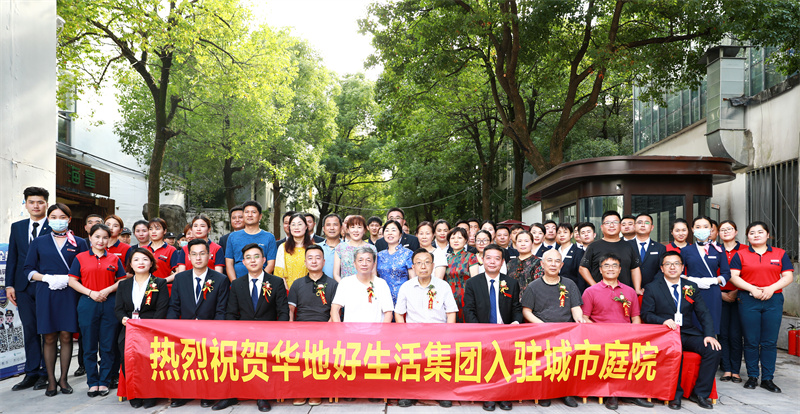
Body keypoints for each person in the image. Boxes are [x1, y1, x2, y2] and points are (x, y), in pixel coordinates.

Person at [23, 203, 89, 397]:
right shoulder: (39, 242)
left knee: (67, 336)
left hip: (70, 292)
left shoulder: (79, 242)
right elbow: (28, 269)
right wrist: (46, 278)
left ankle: (64, 379)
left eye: (62, 217)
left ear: (69, 219)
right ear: (48, 219)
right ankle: (51, 380)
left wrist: (70, 279)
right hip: (47, 291)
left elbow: (85, 267)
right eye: (53, 217)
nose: (58, 220)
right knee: (49, 337)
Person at [641, 251, 721, 410]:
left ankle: (700, 393)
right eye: (668, 264)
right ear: (662, 268)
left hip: (687, 332)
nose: (672, 267)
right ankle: (674, 395)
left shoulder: (690, 286)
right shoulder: (652, 288)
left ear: (682, 267)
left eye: (676, 263)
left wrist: (709, 335)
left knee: (713, 349)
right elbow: (646, 314)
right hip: (666, 334)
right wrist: (663, 321)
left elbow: (703, 313)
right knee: (676, 353)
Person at [221, 243, 289, 412]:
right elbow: (231, 312)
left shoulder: (276, 282)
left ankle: (263, 396)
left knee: (263, 362)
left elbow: (283, 312)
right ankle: (231, 395)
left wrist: (279, 334)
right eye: (248, 258)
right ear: (243, 262)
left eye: (256, 257)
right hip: (242, 334)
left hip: (269, 335)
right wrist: (232, 335)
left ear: (264, 260)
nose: (253, 261)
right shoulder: (237, 284)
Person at [580, 253, 652, 410]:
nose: (610, 269)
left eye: (614, 266)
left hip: (626, 338)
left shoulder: (629, 291)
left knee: (641, 352)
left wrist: (635, 336)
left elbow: (635, 318)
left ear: (620, 270)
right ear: (600, 270)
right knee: (612, 352)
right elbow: (584, 318)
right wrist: (602, 332)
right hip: (600, 339)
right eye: (606, 265)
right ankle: (612, 393)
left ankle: (633, 393)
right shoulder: (590, 291)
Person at [729, 221, 793, 393]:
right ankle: (752, 376)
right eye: (752, 232)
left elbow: (787, 276)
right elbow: (734, 276)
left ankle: (767, 378)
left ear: (767, 235)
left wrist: (771, 289)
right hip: (748, 299)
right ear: (747, 237)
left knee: (769, 341)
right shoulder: (740, 255)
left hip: (773, 299)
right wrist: (752, 289)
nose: (756, 235)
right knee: (751, 340)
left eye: (760, 232)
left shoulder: (780, 253)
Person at [167, 239, 230, 408]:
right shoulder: (180, 278)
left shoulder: (220, 279)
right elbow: (174, 307)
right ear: (188, 257)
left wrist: (213, 331)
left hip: (210, 332)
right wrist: (172, 329)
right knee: (184, 362)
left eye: (202, 254)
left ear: (209, 255)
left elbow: (221, 310)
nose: (198, 258)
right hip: (184, 331)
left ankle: (206, 394)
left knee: (206, 363)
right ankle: (183, 394)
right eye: (194, 254)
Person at [68, 223, 126, 398]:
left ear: (109, 239)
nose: (101, 241)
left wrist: (107, 290)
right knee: (89, 345)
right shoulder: (80, 258)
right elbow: (72, 281)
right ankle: (92, 382)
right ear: (90, 238)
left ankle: (105, 381)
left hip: (109, 304)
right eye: (97, 237)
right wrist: (90, 293)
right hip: (88, 303)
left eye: (105, 237)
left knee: (108, 346)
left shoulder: (114, 259)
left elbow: (122, 280)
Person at [394, 249, 457, 409]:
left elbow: (451, 312)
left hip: (439, 334)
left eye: (427, 262)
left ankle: (441, 393)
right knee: (412, 366)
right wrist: (404, 333)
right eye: (419, 263)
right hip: (413, 335)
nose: (423, 266)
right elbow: (399, 313)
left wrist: (448, 334)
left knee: (439, 366)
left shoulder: (443, 286)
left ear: (433, 266)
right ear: (413, 267)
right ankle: (409, 394)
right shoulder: (406, 287)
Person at [462, 244, 522, 412]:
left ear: (502, 262)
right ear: (482, 260)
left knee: (505, 364)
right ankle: (488, 395)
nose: (492, 262)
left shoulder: (511, 283)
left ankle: (504, 395)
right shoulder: (472, 283)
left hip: (505, 332)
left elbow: (516, 308)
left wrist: (516, 323)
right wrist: (479, 331)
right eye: (488, 258)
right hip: (482, 332)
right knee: (486, 364)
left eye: (497, 258)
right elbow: (469, 310)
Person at [521, 249, 584, 408]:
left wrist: (579, 318)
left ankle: (566, 392)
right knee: (544, 363)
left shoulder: (569, 284)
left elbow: (576, 307)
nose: (553, 264)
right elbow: (526, 311)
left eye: (557, 261)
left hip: (566, 332)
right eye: (549, 261)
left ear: (561, 265)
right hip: (542, 333)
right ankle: (545, 392)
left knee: (568, 361)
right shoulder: (533, 286)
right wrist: (543, 326)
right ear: (542, 264)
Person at [6, 186, 51, 391]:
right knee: (30, 329)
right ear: (25, 204)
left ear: (46, 204)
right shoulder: (17, 227)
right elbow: (13, 258)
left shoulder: (54, 226)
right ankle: (31, 372)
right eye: (32, 202)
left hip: (47, 286)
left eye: (40, 202)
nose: (36, 206)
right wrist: (9, 285)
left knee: (47, 331)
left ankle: (46, 373)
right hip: (23, 287)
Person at [114, 248, 169, 409]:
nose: (141, 263)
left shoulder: (159, 283)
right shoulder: (123, 284)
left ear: (151, 263)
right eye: (136, 260)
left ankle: (151, 393)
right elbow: (118, 309)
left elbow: (162, 308)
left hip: (151, 330)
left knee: (150, 361)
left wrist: (149, 326)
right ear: (130, 264)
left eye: (145, 259)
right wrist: (123, 319)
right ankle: (135, 393)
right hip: (129, 329)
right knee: (128, 360)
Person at [287, 245, 338, 407]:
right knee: (298, 360)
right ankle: (300, 391)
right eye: (310, 258)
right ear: (305, 262)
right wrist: (291, 328)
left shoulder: (333, 284)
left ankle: (316, 391)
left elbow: (335, 311)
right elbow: (290, 309)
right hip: (301, 330)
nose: (314, 261)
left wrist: (327, 329)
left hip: (325, 329)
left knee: (320, 358)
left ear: (324, 261)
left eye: (317, 258)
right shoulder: (297, 284)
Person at [681, 216, 730, 334]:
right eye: (698, 227)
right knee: (693, 325)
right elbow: (679, 274)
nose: (702, 229)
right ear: (692, 229)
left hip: (712, 291)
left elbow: (726, 273)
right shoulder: (686, 250)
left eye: (705, 226)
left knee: (711, 326)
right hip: (691, 291)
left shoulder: (718, 250)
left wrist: (713, 281)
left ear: (711, 229)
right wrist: (692, 280)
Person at [578, 211, 643, 294]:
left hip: (623, 294)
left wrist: (637, 288)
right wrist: (595, 286)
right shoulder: (593, 246)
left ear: (620, 225)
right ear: (602, 227)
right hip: (600, 294)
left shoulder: (628, 246)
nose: (611, 225)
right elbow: (582, 268)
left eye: (615, 222)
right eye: (607, 223)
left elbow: (635, 268)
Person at [331, 246, 394, 323]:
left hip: (375, 329)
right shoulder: (345, 282)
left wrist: (382, 330)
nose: (364, 264)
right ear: (354, 264)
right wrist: (339, 328)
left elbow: (388, 312)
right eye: (360, 260)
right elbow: (335, 308)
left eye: (368, 260)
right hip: (350, 329)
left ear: (374, 264)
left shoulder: (381, 283)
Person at [719, 220, 746, 383]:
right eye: (722, 229)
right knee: (722, 334)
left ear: (736, 232)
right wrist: (721, 294)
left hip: (740, 296)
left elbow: (748, 274)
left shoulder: (745, 250)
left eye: (729, 229)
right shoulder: (714, 250)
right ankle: (726, 369)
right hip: (719, 296)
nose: (726, 231)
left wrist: (736, 292)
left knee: (736, 335)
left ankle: (736, 370)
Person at [224, 201, 277, 281]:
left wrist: (258, 281)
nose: (249, 215)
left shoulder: (269, 237)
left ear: (260, 216)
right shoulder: (233, 237)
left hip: (262, 283)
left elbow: (271, 264)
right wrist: (235, 284)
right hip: (238, 282)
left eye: (253, 212)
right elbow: (229, 264)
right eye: (246, 212)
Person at [445, 227, 479, 323]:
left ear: (465, 240)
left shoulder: (471, 257)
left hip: (466, 296)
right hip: (449, 296)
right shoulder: (446, 258)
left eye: (459, 238)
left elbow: (475, 281)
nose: (456, 240)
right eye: (452, 238)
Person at [377, 220, 416, 304]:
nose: (390, 233)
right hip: (382, 298)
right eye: (387, 230)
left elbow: (413, 279)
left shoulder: (408, 253)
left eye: (393, 230)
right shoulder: (379, 255)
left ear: (400, 234)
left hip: (402, 298)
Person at [274, 212, 314, 289]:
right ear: (289, 228)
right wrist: (288, 292)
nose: (296, 227)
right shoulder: (283, 247)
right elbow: (279, 274)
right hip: (287, 290)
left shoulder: (314, 247)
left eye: (300, 224)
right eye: (293, 224)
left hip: (309, 290)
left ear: (306, 227)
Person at [333, 215, 377, 281]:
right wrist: (343, 285)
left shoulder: (371, 248)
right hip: (345, 285)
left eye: (359, 227)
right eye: (352, 227)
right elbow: (336, 274)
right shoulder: (340, 247)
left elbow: (373, 273)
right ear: (348, 230)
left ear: (364, 230)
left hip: (366, 286)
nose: (356, 230)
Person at [629, 213, 666, 290]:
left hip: (654, 289)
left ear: (652, 227)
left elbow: (662, 269)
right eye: (639, 222)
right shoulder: (626, 246)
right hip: (629, 289)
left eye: (646, 223)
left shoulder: (660, 248)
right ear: (634, 226)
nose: (643, 225)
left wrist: (652, 287)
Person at [506, 230, 544, 295]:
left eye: (526, 241)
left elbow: (539, 286)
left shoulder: (538, 263)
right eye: (519, 241)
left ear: (532, 243)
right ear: (516, 243)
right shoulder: (510, 263)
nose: (523, 244)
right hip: (511, 299)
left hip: (531, 299)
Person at [144, 218, 179, 283]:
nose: (153, 232)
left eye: (157, 229)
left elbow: (178, 272)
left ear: (164, 231)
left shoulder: (171, 250)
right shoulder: (143, 249)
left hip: (164, 287)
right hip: (144, 286)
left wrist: (163, 281)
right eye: (150, 229)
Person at [556, 223, 586, 293]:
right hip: (555, 291)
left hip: (572, 290)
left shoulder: (579, 252)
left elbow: (581, 277)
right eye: (559, 233)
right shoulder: (555, 251)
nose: (562, 235)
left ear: (571, 235)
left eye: (565, 232)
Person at [319, 213, 342, 280]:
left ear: (341, 227)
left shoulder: (347, 248)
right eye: (328, 225)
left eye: (335, 225)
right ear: (323, 228)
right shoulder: (316, 248)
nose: (332, 228)